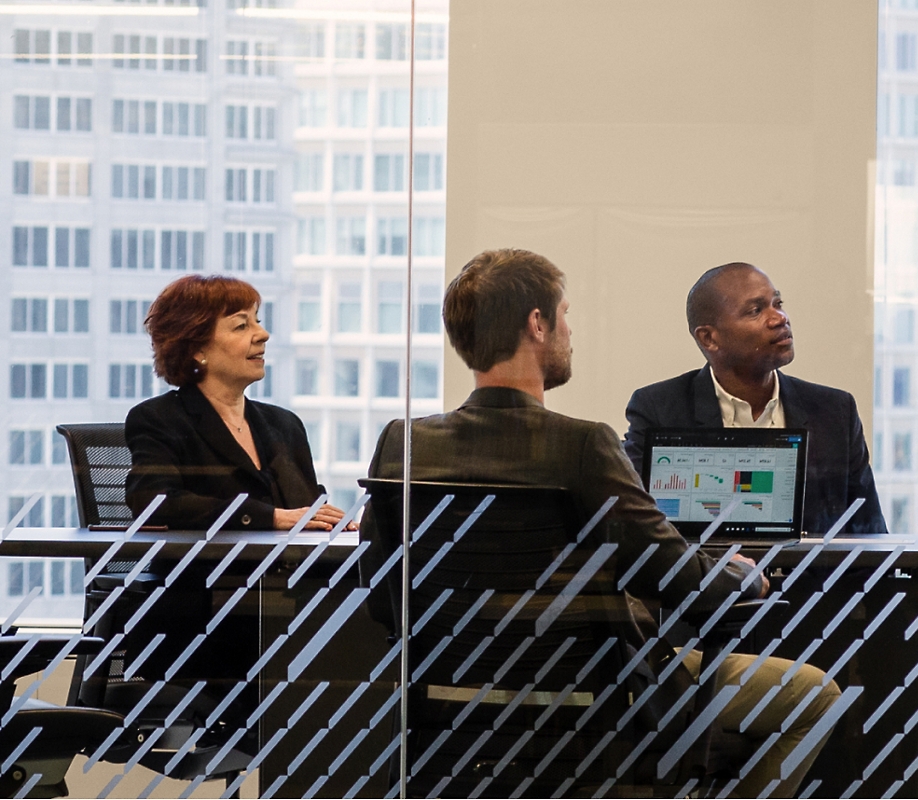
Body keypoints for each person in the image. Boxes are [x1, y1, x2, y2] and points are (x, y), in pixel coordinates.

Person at [364, 248, 839, 797]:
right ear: (537, 325)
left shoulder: (404, 443)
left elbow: (381, 596)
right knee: (816, 696)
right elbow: (671, 574)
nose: (571, 332)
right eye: (565, 315)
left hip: (447, 709)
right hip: (594, 705)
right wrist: (739, 575)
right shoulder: (582, 444)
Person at [624, 262, 887, 534]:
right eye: (756, 310)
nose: (779, 318)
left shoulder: (834, 412)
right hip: (708, 576)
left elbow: (870, 535)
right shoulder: (660, 410)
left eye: (778, 303)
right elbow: (635, 530)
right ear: (709, 338)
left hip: (811, 576)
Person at [126, 274, 347, 531]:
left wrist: (335, 523)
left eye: (258, 322)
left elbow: (307, 511)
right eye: (241, 326)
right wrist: (270, 518)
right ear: (197, 349)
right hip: (208, 569)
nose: (263, 335)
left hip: (294, 569)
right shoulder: (160, 418)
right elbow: (154, 504)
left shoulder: (285, 423)